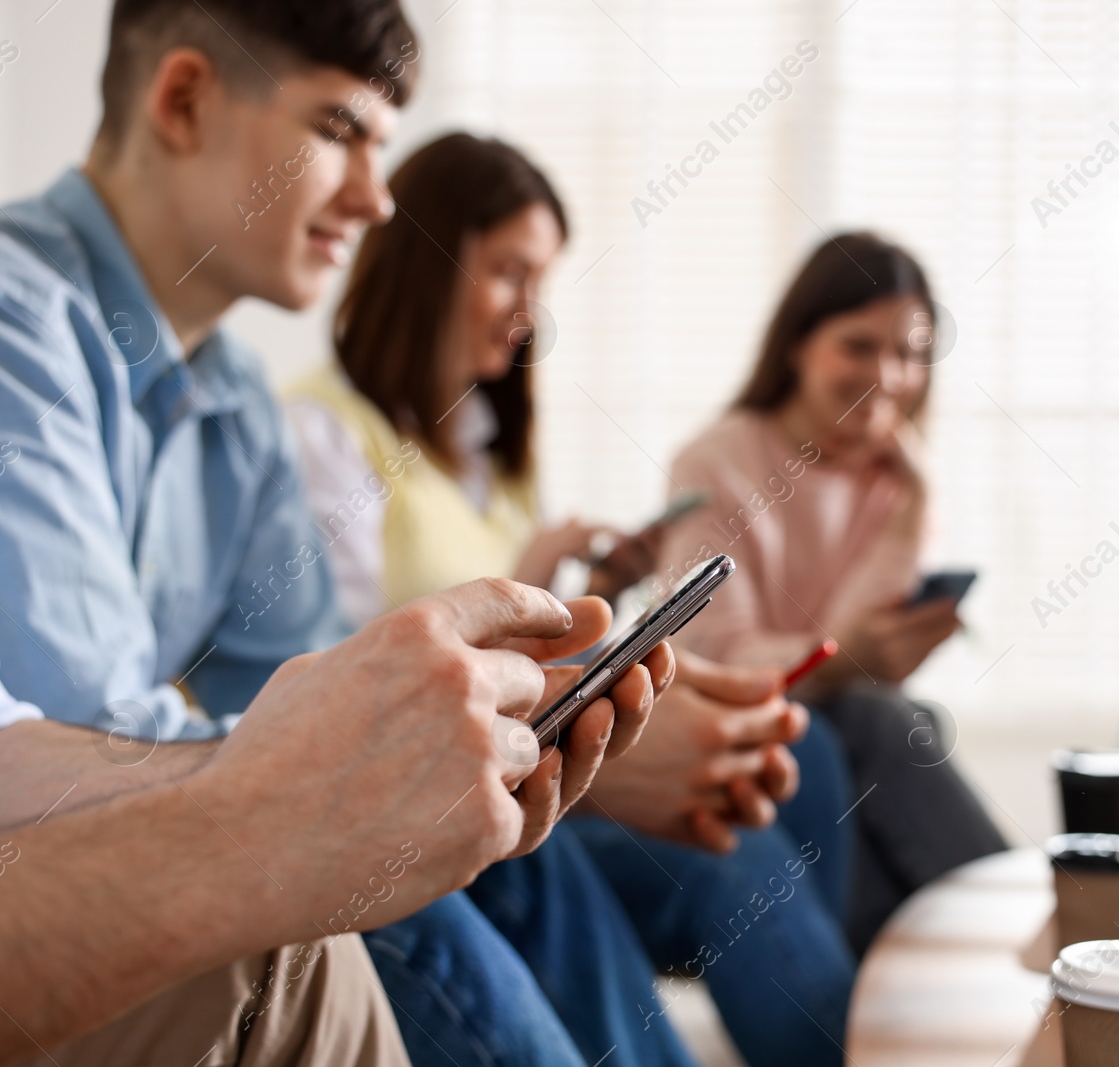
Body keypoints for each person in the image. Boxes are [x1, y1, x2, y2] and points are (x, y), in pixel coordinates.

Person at [0, 2, 669, 1064]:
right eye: (338, 132)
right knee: (370, 889)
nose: (376, 199)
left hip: (40, 813)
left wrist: (437, 740)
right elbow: (67, 743)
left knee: (486, 849)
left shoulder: (237, 398)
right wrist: (342, 776)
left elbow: (297, 688)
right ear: (182, 99)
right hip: (25, 863)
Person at [287, 132, 855, 1067]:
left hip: (527, 756)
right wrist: (526, 569)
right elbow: (346, 677)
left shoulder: (487, 451)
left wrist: (583, 597)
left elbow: (523, 653)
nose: (529, 314)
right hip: (447, 793)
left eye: (541, 281)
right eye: (510, 272)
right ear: (424, 262)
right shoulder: (323, 437)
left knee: (812, 752)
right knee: (729, 852)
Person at [653, 232, 1007, 953]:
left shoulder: (895, 480)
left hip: (844, 726)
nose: (890, 374)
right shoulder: (716, 461)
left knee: (885, 718)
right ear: (797, 345)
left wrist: (917, 501)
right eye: (859, 345)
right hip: (744, 730)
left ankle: (922, 988)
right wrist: (843, 659)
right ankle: (1013, 928)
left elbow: (868, 636)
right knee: (878, 718)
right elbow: (712, 657)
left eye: (910, 352)